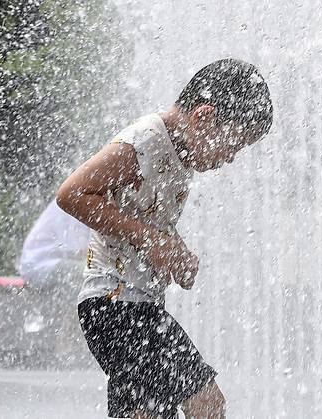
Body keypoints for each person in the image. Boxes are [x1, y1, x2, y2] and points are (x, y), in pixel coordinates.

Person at [56, 58, 273, 419]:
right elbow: (72, 194)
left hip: (129, 306)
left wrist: (175, 254)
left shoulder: (175, 151)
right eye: (233, 144)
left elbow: (143, 216)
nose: (231, 158)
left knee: (146, 414)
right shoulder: (145, 141)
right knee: (207, 402)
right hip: (115, 306)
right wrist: (151, 242)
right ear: (204, 117)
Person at [17, 198, 90, 365]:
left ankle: (69, 343)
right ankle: (66, 345)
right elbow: (81, 250)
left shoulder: (73, 197)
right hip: (39, 265)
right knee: (87, 274)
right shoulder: (75, 202)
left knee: (86, 275)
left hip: (43, 263)